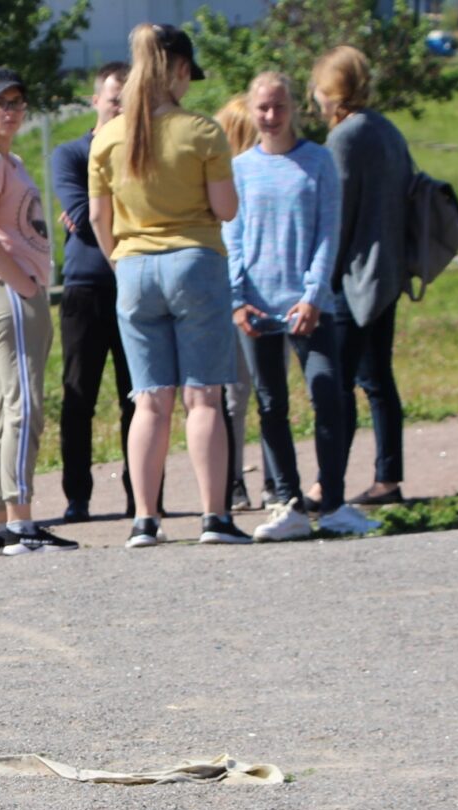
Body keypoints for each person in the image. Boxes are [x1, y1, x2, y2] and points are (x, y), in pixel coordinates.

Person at [88, 24, 249, 548]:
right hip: (195, 262)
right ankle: (214, 517)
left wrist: (123, 262)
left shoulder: (108, 137)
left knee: (149, 402)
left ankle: (144, 520)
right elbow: (226, 209)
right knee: (203, 398)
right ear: (179, 69)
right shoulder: (202, 131)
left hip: (133, 269)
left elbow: (97, 218)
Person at [225, 73, 378, 541]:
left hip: (310, 306)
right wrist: (237, 300)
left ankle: (331, 501)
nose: (271, 117)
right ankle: (287, 501)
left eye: (279, 107)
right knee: (271, 404)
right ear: (251, 112)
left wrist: (313, 295)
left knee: (328, 391)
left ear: (293, 108)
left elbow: (327, 233)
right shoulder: (241, 168)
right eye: (262, 109)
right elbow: (233, 237)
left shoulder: (318, 162)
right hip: (257, 305)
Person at [0, 67, 77, 556]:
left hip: (14, 290)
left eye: (16, 102)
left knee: (5, 405)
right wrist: (25, 285)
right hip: (7, 291)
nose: (10, 111)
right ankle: (22, 522)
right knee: (24, 405)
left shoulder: (8, 160)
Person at [315, 45, 412, 507]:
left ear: (332, 91)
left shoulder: (346, 138)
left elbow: (338, 214)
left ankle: (328, 483)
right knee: (377, 380)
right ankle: (387, 475)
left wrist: (320, 279)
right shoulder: (388, 130)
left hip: (354, 280)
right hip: (387, 271)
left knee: (340, 385)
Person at [52, 61, 142, 523]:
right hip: (86, 289)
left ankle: (143, 496)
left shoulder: (144, 153)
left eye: (130, 100)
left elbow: (99, 217)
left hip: (136, 285)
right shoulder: (69, 154)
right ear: (95, 102)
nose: (122, 108)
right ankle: (77, 497)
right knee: (78, 397)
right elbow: (85, 218)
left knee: (140, 395)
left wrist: (102, 214)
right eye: (113, 100)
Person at [213, 94, 259, 514]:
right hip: (227, 297)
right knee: (236, 393)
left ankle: (274, 481)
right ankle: (232, 482)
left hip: (260, 296)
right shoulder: (222, 179)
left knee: (253, 392)